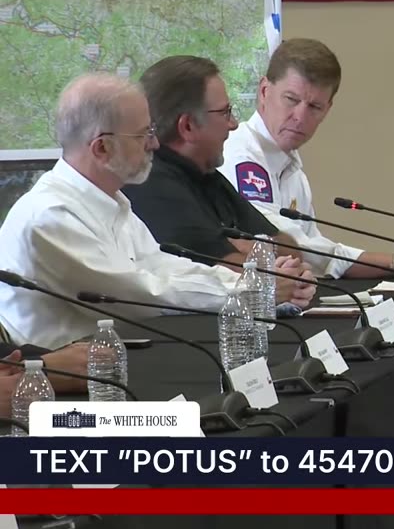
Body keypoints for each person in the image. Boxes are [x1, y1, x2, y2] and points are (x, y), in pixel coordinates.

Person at [0, 73, 315, 350]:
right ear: (102, 148)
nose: (153, 144)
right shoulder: (50, 216)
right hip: (59, 383)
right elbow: (140, 295)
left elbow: (165, 268)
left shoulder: (112, 202)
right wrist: (254, 291)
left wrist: (260, 281)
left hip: (116, 359)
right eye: (143, 135)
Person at [218, 39, 394, 279]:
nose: (300, 117)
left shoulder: (292, 169)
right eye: (291, 99)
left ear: (327, 110)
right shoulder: (239, 156)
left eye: (314, 107)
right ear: (264, 91)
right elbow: (288, 247)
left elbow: (314, 249)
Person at [123, 55, 310, 271]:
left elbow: (292, 251)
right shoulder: (152, 184)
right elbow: (229, 272)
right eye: (224, 113)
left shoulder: (207, 174)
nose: (233, 124)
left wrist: (254, 248)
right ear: (188, 126)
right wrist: (255, 254)